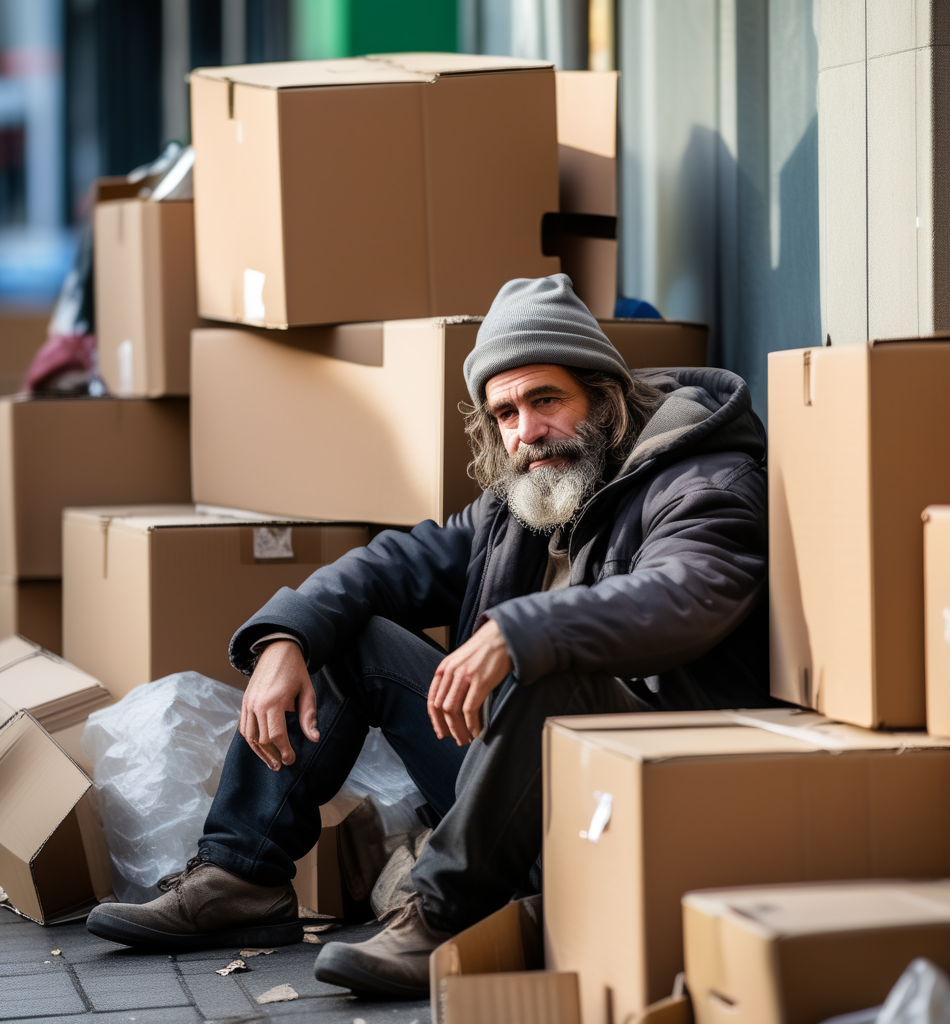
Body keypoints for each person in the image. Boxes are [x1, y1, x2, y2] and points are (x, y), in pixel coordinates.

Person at [86, 274, 770, 999]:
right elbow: (388, 565)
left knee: (557, 668)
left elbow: (689, 594)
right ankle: (241, 876)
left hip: (638, 799)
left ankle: (443, 916)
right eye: (505, 413)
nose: (526, 432)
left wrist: (520, 629)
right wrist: (284, 638)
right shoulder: (522, 502)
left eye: (546, 401)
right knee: (346, 633)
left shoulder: (702, 480)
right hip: (514, 790)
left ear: (603, 396)